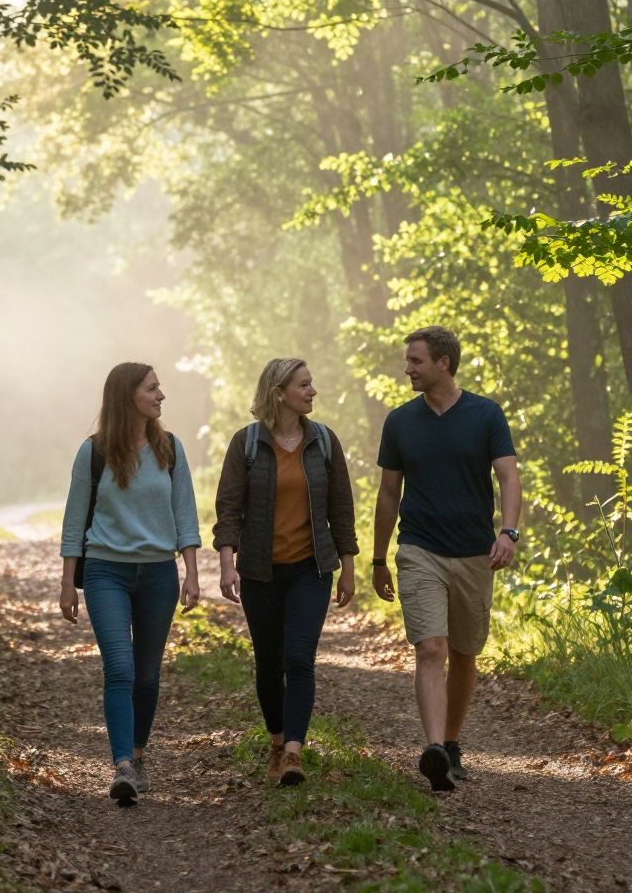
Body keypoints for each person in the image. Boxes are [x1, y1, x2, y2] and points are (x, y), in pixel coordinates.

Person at [370, 326, 521, 792]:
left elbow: (509, 480)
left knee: (464, 652)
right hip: (419, 549)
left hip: (475, 552)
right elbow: (389, 493)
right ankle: (433, 748)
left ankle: (452, 744)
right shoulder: (400, 422)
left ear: (443, 363)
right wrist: (378, 559)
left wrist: (509, 533)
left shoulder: (485, 414)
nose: (408, 369)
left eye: (415, 360)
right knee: (430, 648)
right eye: (408, 360)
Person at [59, 362, 201, 806]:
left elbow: (186, 515)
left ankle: (138, 756)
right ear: (128, 396)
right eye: (152, 389)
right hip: (105, 571)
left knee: (148, 674)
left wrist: (192, 572)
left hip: (159, 573)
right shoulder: (95, 452)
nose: (161, 396)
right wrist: (68, 583)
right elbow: (73, 519)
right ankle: (121, 764)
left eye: (159, 389)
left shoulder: (170, 449)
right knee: (119, 668)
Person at [214, 358, 358, 786]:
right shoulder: (247, 443)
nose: (312, 391)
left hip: (310, 569)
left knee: (299, 659)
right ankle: (276, 743)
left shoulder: (324, 442)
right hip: (259, 572)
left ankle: (294, 752)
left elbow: (342, 510)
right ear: (279, 392)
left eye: (311, 384)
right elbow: (229, 509)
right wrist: (227, 562)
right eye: (304, 385)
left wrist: (347, 569)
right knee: (268, 663)